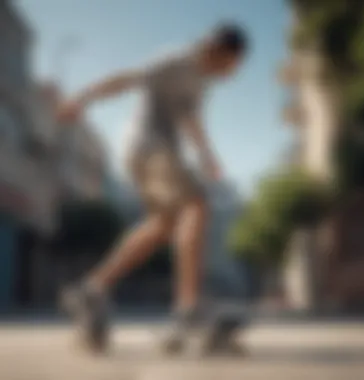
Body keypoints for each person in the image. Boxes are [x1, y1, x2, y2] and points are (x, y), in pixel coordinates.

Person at [58, 22, 249, 353]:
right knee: (197, 205)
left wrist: (207, 156)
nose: (231, 74)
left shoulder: (200, 79)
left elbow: (190, 118)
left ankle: (92, 288)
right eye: (232, 65)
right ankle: (189, 310)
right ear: (220, 50)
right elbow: (129, 79)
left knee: (162, 227)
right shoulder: (177, 61)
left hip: (149, 154)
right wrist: (83, 97)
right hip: (149, 148)